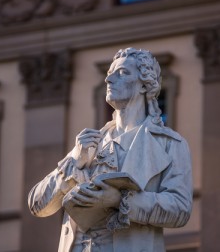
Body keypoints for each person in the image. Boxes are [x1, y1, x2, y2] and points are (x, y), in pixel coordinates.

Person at [28, 47, 193, 252]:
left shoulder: (170, 144)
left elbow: (180, 209)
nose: (109, 80)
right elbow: (37, 204)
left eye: (122, 73)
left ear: (144, 85)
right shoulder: (89, 144)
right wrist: (73, 165)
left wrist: (119, 200)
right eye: (109, 74)